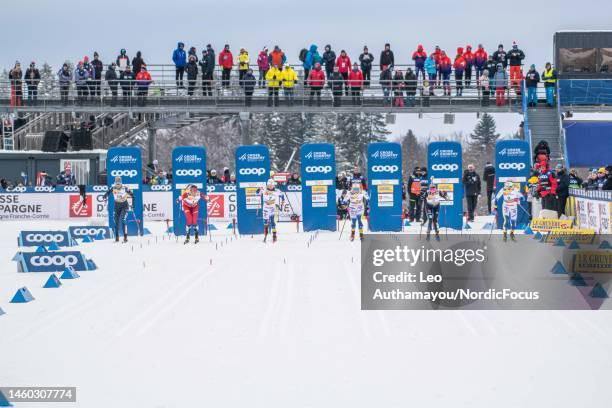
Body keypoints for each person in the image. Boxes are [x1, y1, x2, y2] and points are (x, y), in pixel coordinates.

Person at [103, 176, 134, 243]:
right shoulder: (113, 188)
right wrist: (104, 198)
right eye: (116, 184)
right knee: (116, 222)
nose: (118, 185)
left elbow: (132, 195)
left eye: (119, 184)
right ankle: (117, 238)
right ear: (115, 183)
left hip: (124, 206)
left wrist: (132, 205)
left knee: (123, 220)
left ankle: (125, 237)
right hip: (117, 206)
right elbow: (105, 194)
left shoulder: (125, 188)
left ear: (121, 183)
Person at [259, 178, 284, 243]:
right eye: (269, 185)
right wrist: (259, 189)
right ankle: (265, 235)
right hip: (265, 209)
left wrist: (282, 202)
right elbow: (257, 192)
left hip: (273, 208)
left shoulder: (276, 190)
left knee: (273, 223)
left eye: (271, 185)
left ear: (273, 185)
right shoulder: (264, 190)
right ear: (267, 185)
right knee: (265, 223)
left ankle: (274, 235)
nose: (270, 186)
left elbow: (282, 195)